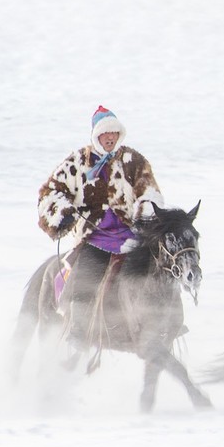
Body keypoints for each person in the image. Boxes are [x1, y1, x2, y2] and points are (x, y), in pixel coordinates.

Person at [36, 105, 164, 335]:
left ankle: (160, 322)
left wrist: (147, 214)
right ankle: (77, 330)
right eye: (106, 133)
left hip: (129, 233)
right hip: (94, 236)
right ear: (97, 135)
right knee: (85, 275)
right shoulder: (77, 162)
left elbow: (149, 193)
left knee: (155, 270)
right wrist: (63, 212)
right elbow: (52, 192)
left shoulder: (133, 160)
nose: (110, 138)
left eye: (114, 133)